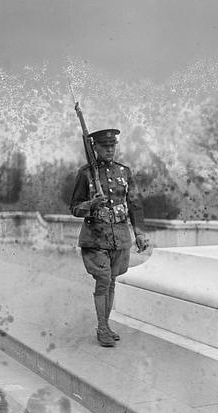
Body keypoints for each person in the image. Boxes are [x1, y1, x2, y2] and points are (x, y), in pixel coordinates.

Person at [70, 128, 150, 347]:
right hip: (95, 237)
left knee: (112, 281)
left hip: (120, 237)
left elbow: (134, 204)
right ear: (94, 148)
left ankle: (106, 324)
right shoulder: (85, 173)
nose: (109, 150)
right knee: (103, 280)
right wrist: (90, 204)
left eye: (112, 146)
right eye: (105, 146)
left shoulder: (125, 172)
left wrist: (140, 233)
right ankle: (102, 328)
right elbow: (75, 208)